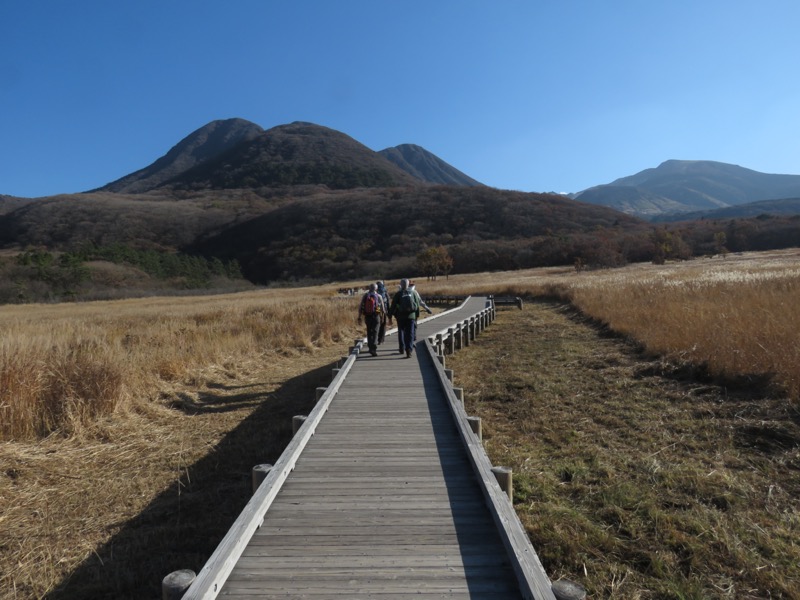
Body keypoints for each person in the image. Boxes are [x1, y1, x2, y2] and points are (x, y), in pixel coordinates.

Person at [389, 278, 420, 358]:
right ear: (408, 284)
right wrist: (416, 316)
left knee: (401, 332)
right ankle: (409, 350)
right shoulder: (413, 293)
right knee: (410, 333)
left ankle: (402, 348)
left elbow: (393, 306)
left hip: (401, 316)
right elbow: (417, 305)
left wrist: (390, 317)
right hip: (411, 316)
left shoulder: (398, 294)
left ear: (401, 285)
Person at [358, 283, 385, 356]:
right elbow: (382, 308)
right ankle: (374, 348)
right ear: (376, 289)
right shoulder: (379, 296)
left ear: (369, 288)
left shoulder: (366, 296)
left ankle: (370, 348)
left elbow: (360, 307)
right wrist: (382, 317)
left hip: (368, 316)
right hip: (376, 316)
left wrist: (359, 317)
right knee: (376, 332)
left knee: (369, 332)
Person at [376, 280, 391, 345]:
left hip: (376, 311)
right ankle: (381, 339)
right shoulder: (385, 291)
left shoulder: (375, 291)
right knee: (383, 325)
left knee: (377, 324)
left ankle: (376, 339)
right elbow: (388, 302)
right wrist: (389, 312)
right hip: (384, 310)